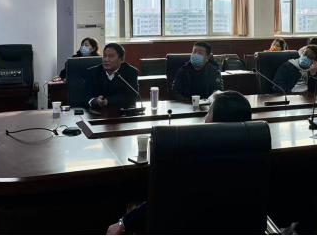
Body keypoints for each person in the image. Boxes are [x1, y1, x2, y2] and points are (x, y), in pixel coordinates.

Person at [107, 91, 252, 235]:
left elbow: (166, 201)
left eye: (208, 113)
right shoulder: (253, 151)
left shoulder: (197, 159)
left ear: (218, 121)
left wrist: (123, 223)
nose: (204, 119)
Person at [83, 43, 138, 109]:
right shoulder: (93, 73)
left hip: (121, 112)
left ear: (121, 60)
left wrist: (108, 101)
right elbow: (85, 97)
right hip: (97, 112)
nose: (106, 60)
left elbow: (131, 97)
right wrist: (96, 101)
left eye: (111, 56)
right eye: (104, 56)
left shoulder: (130, 72)